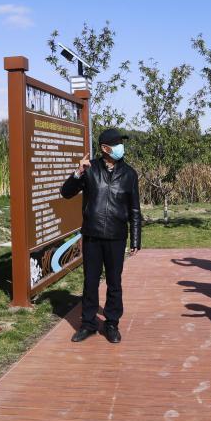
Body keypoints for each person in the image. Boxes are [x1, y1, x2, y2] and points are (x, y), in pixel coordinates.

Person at [61, 128, 142, 344]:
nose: (121, 147)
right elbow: (66, 193)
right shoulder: (90, 169)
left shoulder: (130, 174)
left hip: (117, 236)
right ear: (105, 148)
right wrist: (78, 172)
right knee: (90, 282)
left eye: (121, 143)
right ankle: (88, 324)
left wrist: (136, 239)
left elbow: (135, 210)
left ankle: (111, 323)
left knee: (114, 282)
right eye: (116, 144)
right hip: (92, 236)